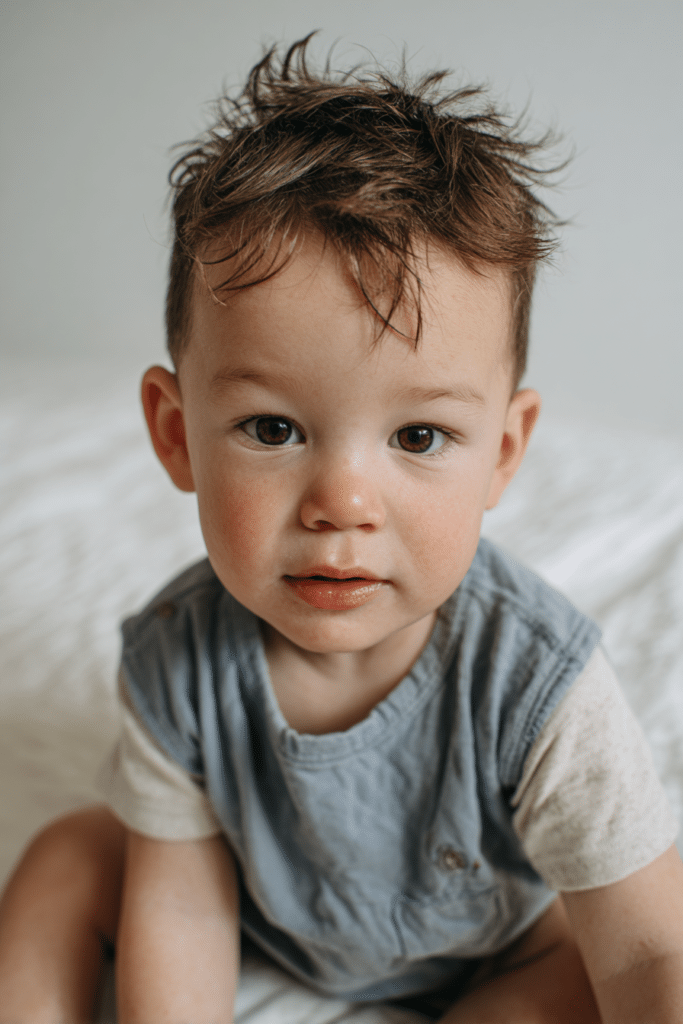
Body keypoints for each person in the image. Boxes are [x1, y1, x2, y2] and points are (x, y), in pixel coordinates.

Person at [0, 34, 681, 1024]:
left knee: (616, 955)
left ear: (499, 450)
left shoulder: (538, 687)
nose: (342, 503)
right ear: (175, 431)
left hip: (491, 949)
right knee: (68, 857)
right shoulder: (176, 659)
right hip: (262, 911)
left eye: (417, 434)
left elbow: (648, 949)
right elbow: (184, 911)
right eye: (273, 428)